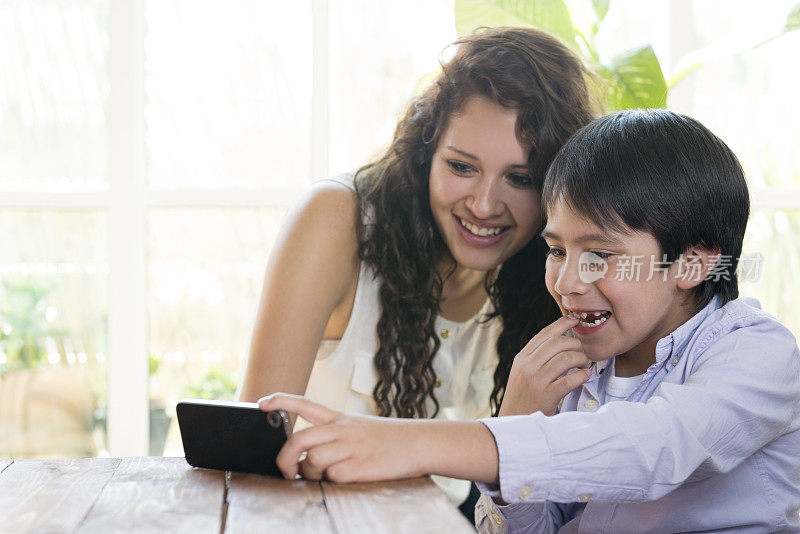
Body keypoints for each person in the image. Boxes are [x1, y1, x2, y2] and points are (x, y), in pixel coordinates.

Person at [258, 109, 800, 532]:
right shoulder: (578, 371)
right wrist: (516, 417)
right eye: (556, 250)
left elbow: (653, 446)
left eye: (599, 255)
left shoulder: (760, 357)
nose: (566, 282)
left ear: (693, 263)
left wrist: (418, 443)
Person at [237, 27, 598, 516]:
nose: (485, 204)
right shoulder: (336, 221)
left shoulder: (553, 274)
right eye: (461, 167)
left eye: (519, 179)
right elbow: (248, 450)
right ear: (426, 152)